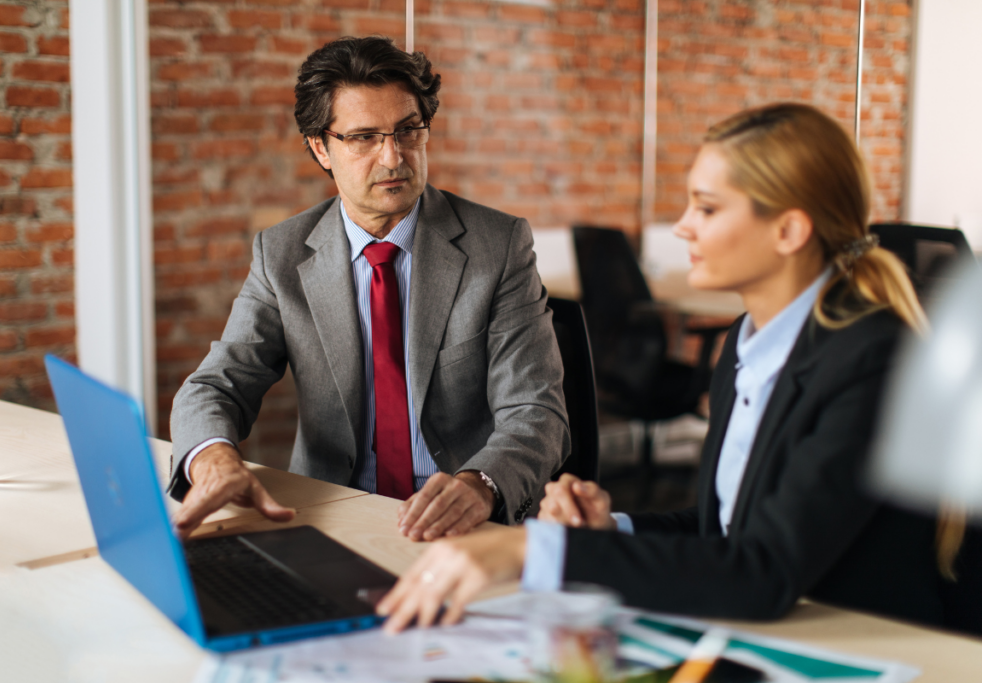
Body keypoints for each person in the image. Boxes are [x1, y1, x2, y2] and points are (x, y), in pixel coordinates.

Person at [377, 102, 948, 633]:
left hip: (891, 644)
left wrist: (533, 551)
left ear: (789, 231)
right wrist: (611, 531)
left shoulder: (876, 360)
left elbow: (764, 572)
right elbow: (721, 528)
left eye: (707, 207)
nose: (683, 227)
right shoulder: (747, 345)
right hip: (792, 631)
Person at [168, 36, 569, 539]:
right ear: (321, 148)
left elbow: (535, 410)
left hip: (462, 517)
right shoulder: (282, 254)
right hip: (331, 512)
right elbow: (217, 385)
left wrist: (480, 484)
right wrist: (213, 460)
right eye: (363, 138)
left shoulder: (499, 245)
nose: (393, 157)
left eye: (408, 131)